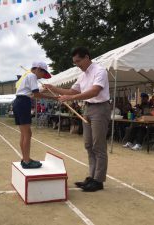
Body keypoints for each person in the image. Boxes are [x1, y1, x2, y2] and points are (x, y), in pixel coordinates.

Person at [44, 47, 110, 192]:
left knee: (98, 145)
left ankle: (98, 180)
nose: (77, 65)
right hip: (88, 108)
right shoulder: (83, 75)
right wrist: (53, 88)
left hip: (100, 108)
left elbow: (95, 91)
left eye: (78, 61)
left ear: (87, 57)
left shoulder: (100, 70)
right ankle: (92, 177)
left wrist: (71, 98)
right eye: (75, 62)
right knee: (88, 144)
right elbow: (72, 91)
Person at [13, 61, 57, 169]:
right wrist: (54, 98)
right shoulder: (32, 76)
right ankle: (27, 161)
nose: (42, 76)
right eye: (43, 73)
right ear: (38, 69)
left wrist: (43, 90)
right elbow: (36, 95)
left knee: (24, 134)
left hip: (19, 102)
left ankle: (25, 158)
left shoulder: (27, 76)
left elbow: (32, 94)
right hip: (23, 103)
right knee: (27, 133)